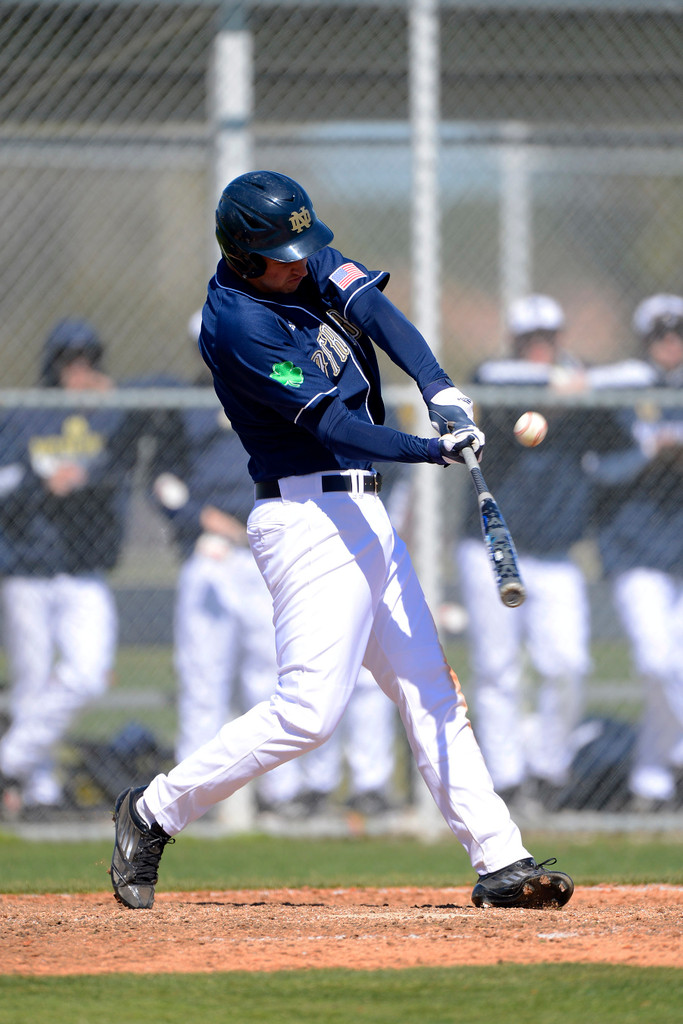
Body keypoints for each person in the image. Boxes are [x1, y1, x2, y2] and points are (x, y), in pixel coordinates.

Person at [110, 170, 573, 910]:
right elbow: (335, 425)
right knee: (307, 713)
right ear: (243, 255)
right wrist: (431, 449)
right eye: (283, 257)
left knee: (430, 688)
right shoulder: (239, 325)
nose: (302, 265)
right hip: (305, 520)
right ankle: (152, 810)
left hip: (364, 512)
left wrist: (439, 388)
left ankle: (501, 860)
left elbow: (378, 314)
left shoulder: (301, 260)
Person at [455, 295, 602, 810]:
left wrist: (573, 387)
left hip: (556, 552)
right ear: (516, 342)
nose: (540, 347)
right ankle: (508, 779)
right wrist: (556, 387)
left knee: (568, 664)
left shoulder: (581, 385)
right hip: (493, 545)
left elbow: (624, 393)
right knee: (498, 668)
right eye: (530, 339)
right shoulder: (498, 383)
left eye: (547, 338)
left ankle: (547, 767)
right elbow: (488, 380)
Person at [0, 319, 138, 818]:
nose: (79, 371)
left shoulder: (108, 414)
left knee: (88, 674)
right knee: (32, 681)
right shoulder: (25, 415)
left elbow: (123, 463)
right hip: (27, 567)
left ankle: (8, 762)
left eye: (88, 361)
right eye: (69, 361)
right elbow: (5, 482)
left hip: (83, 569)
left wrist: (91, 465)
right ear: (53, 366)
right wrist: (41, 479)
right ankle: (37, 792)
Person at [588, 294, 683, 811]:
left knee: (675, 667)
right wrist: (650, 450)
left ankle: (651, 783)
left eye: (678, 333)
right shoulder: (624, 390)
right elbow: (599, 470)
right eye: (661, 335)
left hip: (679, 551)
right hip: (633, 550)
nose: (671, 343)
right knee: (656, 661)